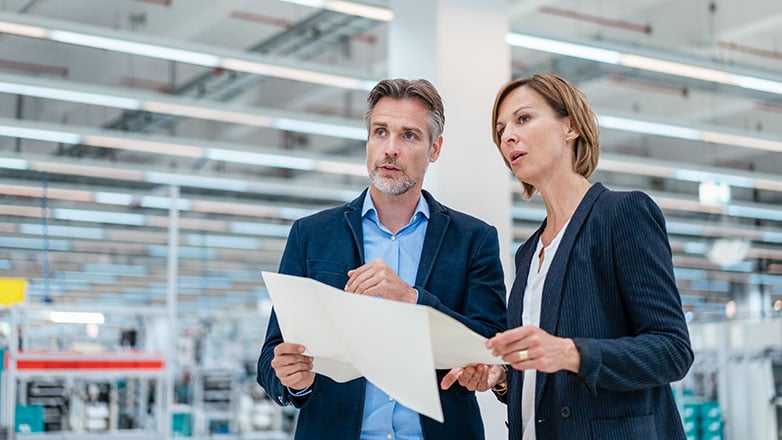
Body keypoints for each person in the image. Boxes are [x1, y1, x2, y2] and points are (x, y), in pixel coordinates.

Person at [440, 72, 694, 439]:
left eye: (523, 119)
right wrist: (501, 376)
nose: (507, 136)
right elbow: (541, 376)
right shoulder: (528, 252)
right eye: (500, 130)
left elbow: (672, 350)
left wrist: (571, 353)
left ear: (570, 127)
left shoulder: (621, 214)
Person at [257, 78, 507, 440]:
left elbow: (490, 343)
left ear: (434, 149)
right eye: (380, 132)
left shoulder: (473, 239)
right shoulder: (311, 235)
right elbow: (271, 355)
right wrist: (290, 379)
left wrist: (413, 299)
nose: (390, 149)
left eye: (409, 135)